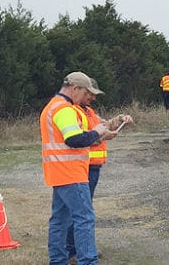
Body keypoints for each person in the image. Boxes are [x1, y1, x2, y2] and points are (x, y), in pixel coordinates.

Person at [41, 71, 117, 265]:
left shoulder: (53, 106)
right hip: (71, 173)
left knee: (59, 219)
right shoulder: (64, 109)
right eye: (85, 94)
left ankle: (58, 261)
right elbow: (74, 139)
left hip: (59, 172)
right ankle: (87, 261)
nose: (87, 98)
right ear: (75, 88)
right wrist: (97, 131)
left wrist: (97, 134)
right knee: (84, 218)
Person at [65, 78, 132, 259]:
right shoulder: (74, 113)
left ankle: (77, 249)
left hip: (92, 168)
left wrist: (119, 120)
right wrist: (103, 138)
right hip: (82, 167)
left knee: (82, 211)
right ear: (80, 91)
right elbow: (79, 140)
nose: (93, 99)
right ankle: (74, 251)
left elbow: (104, 125)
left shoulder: (88, 112)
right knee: (81, 212)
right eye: (90, 95)